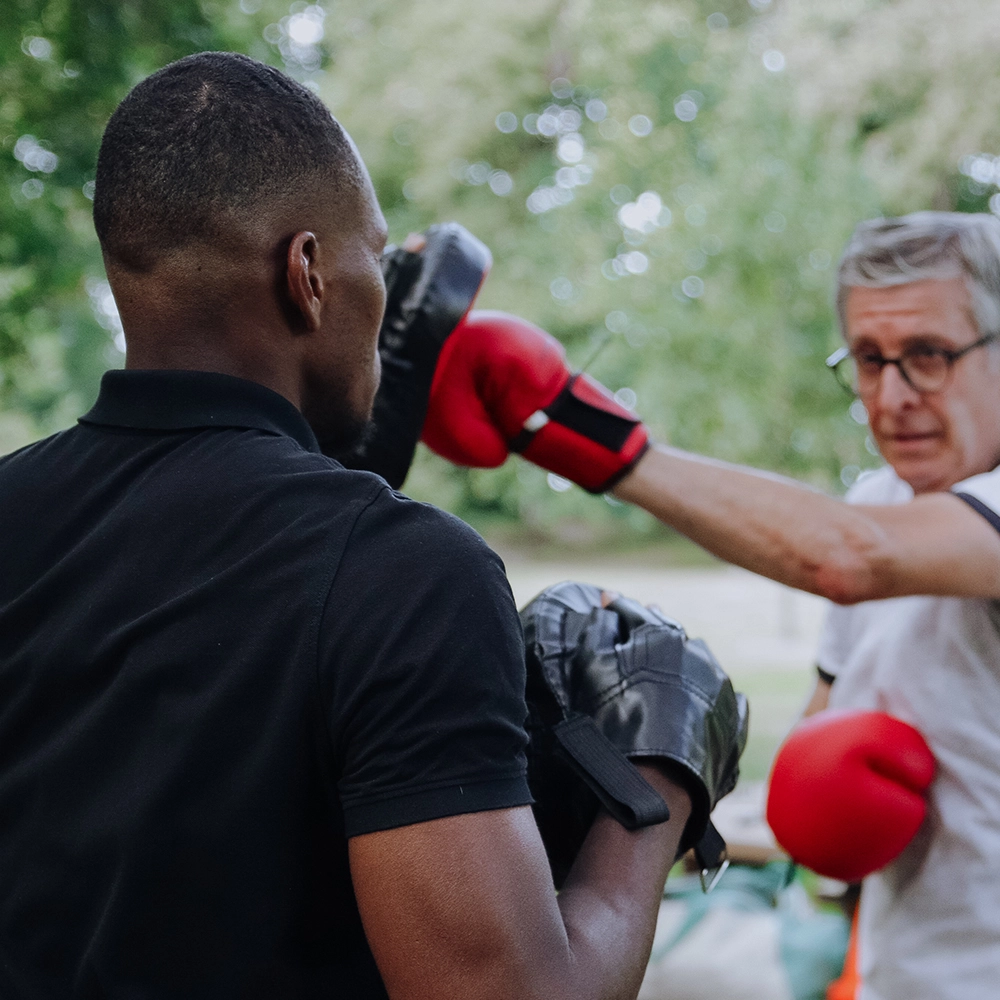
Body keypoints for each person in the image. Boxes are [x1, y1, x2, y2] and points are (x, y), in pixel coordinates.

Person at [0, 52, 753, 999]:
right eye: (373, 257)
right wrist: (660, 773)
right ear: (307, 274)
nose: (383, 296)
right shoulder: (406, 575)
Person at [419, 211, 1000, 1000]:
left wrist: (574, 426)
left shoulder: (889, 531)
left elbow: (849, 556)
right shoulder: (880, 497)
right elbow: (823, 726)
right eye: (868, 358)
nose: (889, 395)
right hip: (904, 973)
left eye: (927, 356)